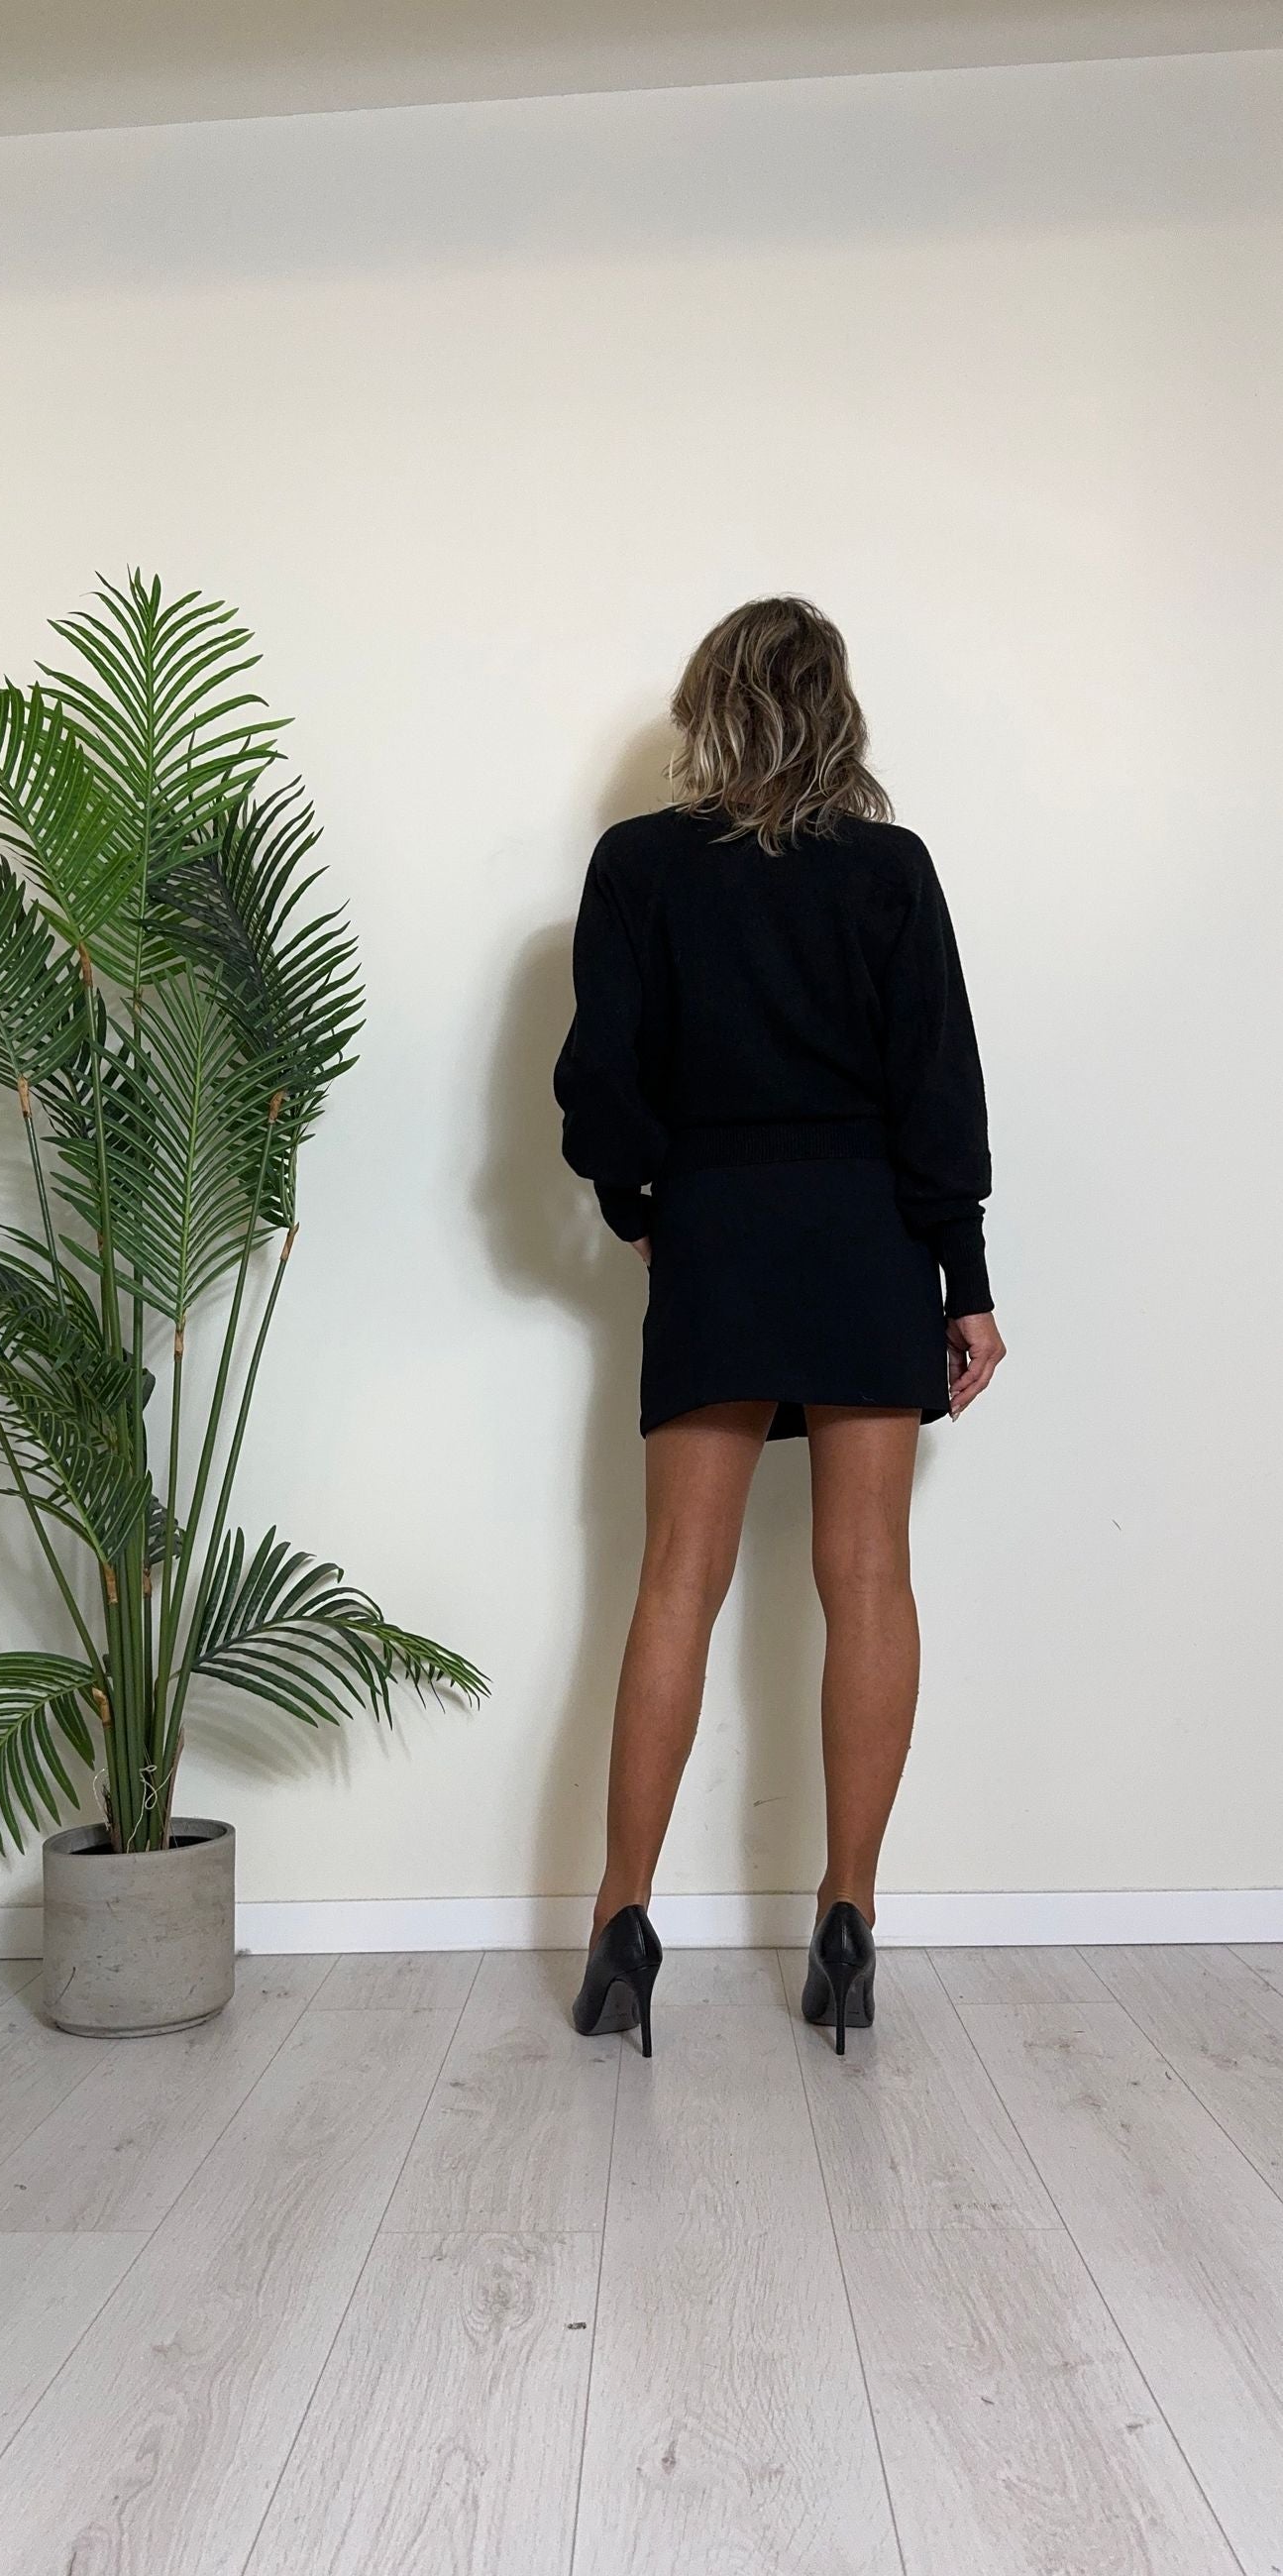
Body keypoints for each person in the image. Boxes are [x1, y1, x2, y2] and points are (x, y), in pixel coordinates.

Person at [553, 595, 1005, 2058]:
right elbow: (938, 1085)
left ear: (709, 705)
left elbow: (600, 1077)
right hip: (869, 1239)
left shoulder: (639, 865)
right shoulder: (889, 870)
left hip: (720, 1236)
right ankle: (849, 1915)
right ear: (837, 712)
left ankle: (622, 1920)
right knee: (867, 1576)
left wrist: (641, 1199)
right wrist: (964, 1281)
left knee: (674, 1583)